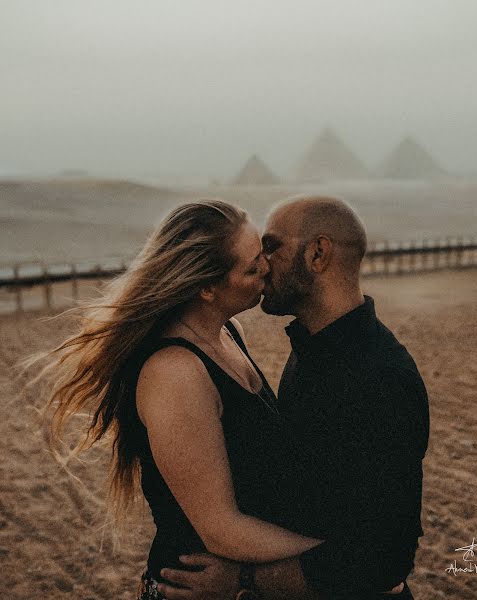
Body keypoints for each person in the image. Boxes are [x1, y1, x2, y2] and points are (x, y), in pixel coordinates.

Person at [40, 200, 330, 599]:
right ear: (207, 288)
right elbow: (223, 529)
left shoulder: (229, 334)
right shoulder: (175, 373)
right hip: (196, 585)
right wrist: (343, 560)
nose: (266, 266)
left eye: (262, 250)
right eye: (250, 266)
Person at [156, 197, 429, 600]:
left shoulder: (381, 378)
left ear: (317, 254)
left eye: (272, 246)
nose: (262, 263)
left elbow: (384, 554)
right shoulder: (312, 350)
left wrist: (244, 579)